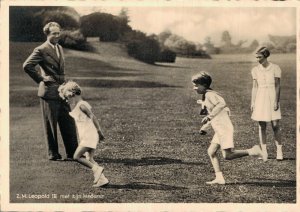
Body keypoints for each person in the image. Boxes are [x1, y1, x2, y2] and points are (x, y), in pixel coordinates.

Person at [192, 72, 266, 185]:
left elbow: (222, 104)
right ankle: (219, 178)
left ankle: (253, 151)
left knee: (228, 155)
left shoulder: (210, 95)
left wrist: (209, 116)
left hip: (224, 129)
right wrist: (205, 127)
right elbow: (217, 112)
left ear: (204, 85)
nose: (194, 88)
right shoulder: (207, 95)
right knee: (211, 152)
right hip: (220, 128)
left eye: (196, 85)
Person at [23, 22, 78, 160]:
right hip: (49, 91)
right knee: (51, 125)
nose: (57, 36)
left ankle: (74, 153)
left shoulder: (59, 47)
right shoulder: (41, 49)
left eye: (58, 33)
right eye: (54, 33)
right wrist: (41, 78)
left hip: (62, 91)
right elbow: (27, 65)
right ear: (47, 34)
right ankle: (53, 154)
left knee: (68, 121)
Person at [58, 81, 109, 187]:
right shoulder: (78, 106)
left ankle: (97, 169)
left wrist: (99, 131)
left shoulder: (82, 105)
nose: (67, 101)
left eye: (67, 98)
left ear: (72, 94)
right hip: (88, 135)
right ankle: (102, 179)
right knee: (89, 159)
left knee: (76, 156)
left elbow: (92, 116)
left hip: (89, 135)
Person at [251, 47, 283, 160]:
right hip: (260, 97)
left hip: (272, 96)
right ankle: (264, 152)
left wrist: (276, 101)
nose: (257, 59)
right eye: (256, 57)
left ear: (265, 56)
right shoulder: (255, 70)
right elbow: (255, 87)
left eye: (259, 57)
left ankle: (279, 151)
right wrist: (253, 102)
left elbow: (278, 86)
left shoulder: (275, 68)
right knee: (262, 126)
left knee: (275, 125)